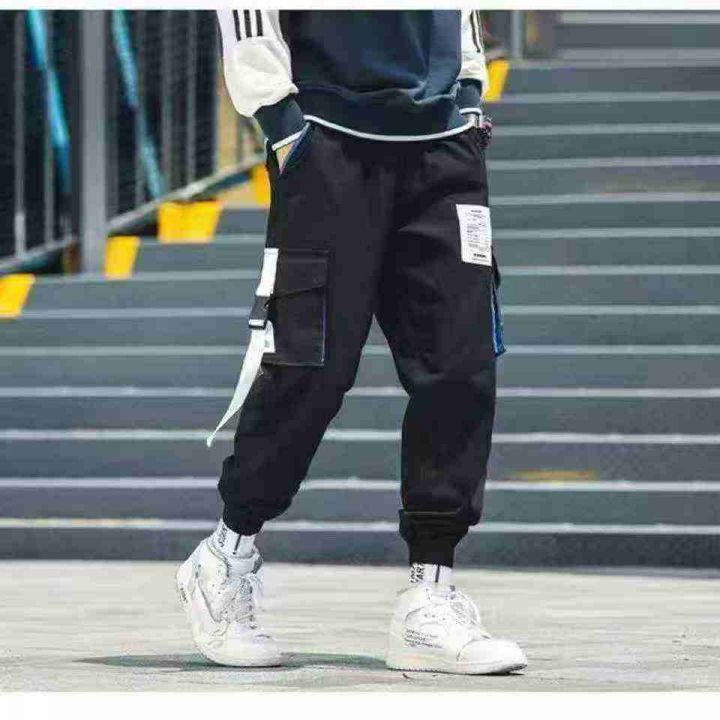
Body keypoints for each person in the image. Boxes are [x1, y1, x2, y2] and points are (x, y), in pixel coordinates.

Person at [176, 9, 527, 675]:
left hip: (445, 144)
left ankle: (431, 595)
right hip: (329, 140)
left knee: (462, 365)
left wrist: (468, 90)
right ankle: (225, 554)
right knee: (311, 368)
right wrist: (280, 120)